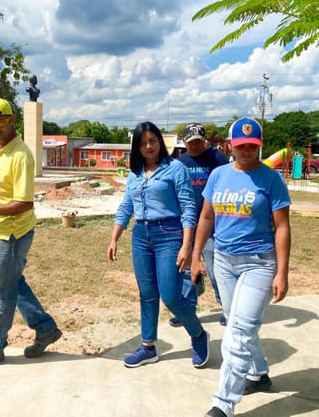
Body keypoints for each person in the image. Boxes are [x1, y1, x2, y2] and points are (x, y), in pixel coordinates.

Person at [191, 117, 291, 417]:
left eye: (253, 146)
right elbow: (206, 218)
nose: (247, 150)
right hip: (223, 261)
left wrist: (283, 273)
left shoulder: (271, 179)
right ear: (230, 146)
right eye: (241, 145)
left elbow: (282, 226)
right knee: (238, 323)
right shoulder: (219, 175)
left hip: (259, 263)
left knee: (239, 330)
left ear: (259, 147)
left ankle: (223, 404)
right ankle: (258, 373)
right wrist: (196, 256)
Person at [0, 98, 62, 374]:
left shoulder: (21, 155)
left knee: (0, 292)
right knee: (13, 284)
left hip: (12, 233)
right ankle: (46, 329)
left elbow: (25, 203)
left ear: (12, 121)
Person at [107, 121, 210, 369]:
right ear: (137, 147)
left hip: (170, 234)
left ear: (160, 143)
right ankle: (148, 347)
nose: (149, 146)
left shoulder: (175, 169)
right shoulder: (135, 172)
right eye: (143, 143)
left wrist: (186, 245)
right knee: (147, 295)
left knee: (171, 296)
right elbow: (126, 207)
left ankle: (198, 334)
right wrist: (114, 237)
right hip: (141, 235)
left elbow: (188, 208)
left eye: (153, 141)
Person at [169, 123, 229, 328]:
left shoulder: (217, 159)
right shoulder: (180, 162)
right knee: (185, 269)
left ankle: (226, 306)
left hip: (212, 225)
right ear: (184, 142)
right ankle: (186, 310)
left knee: (214, 269)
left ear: (205, 142)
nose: (194, 146)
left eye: (198, 142)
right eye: (190, 142)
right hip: (187, 224)